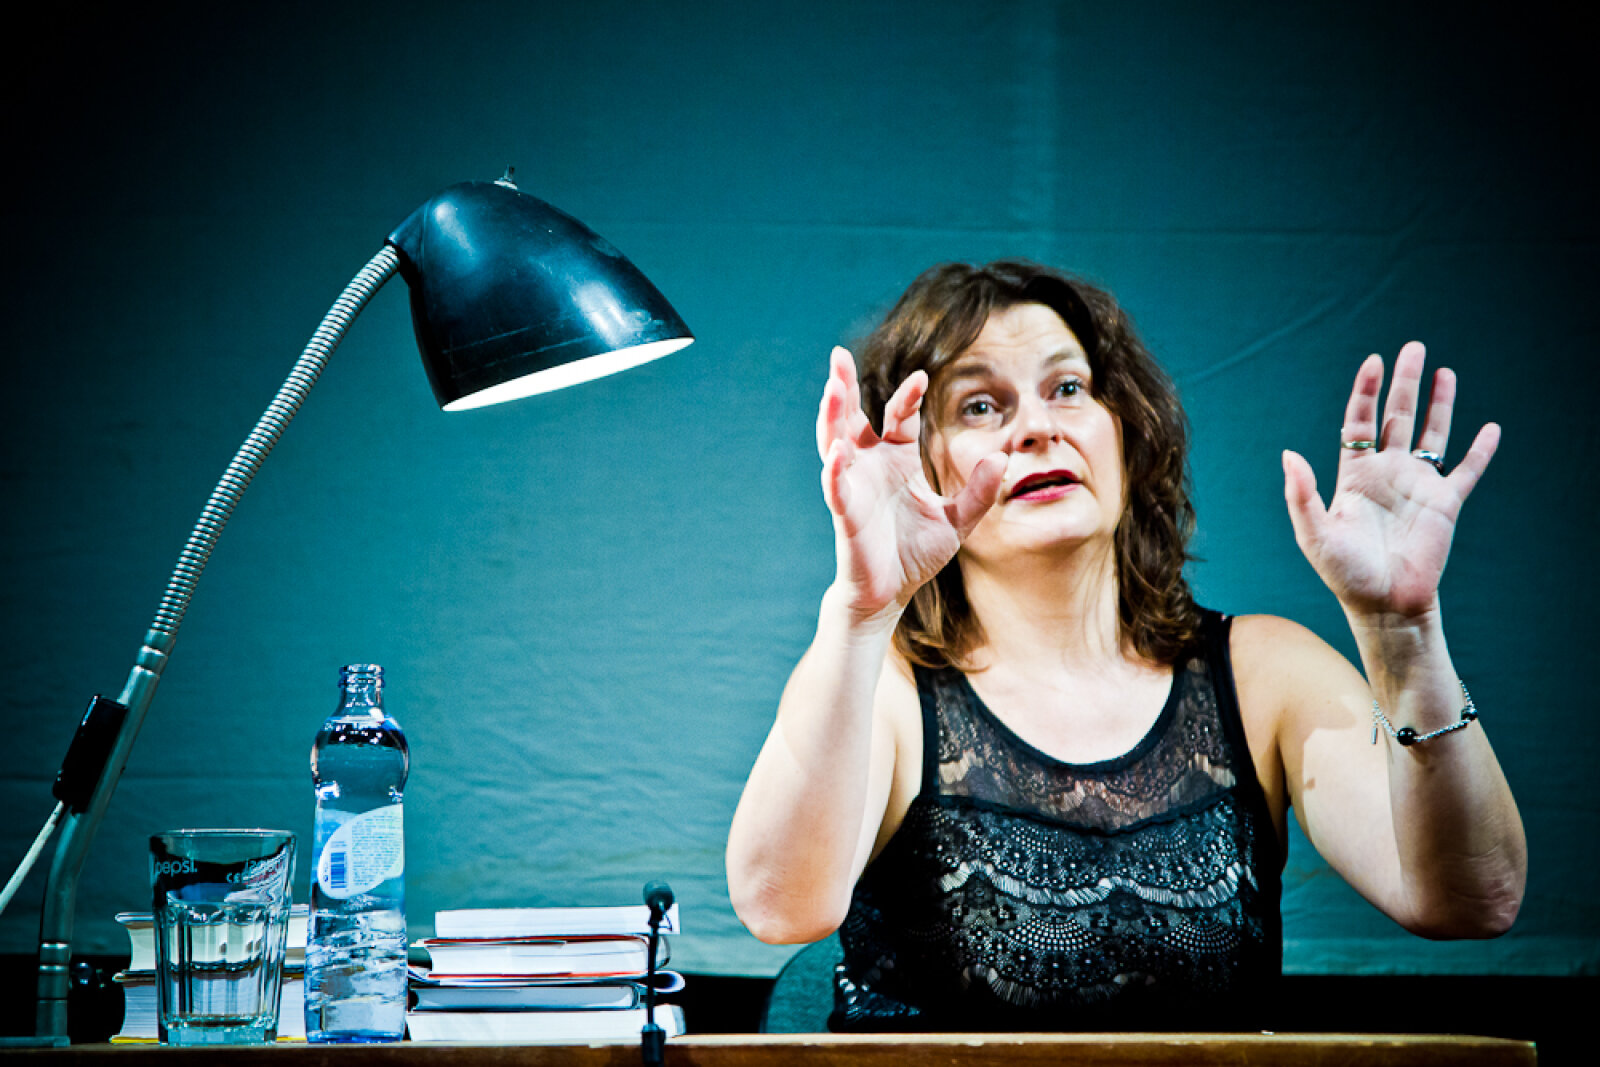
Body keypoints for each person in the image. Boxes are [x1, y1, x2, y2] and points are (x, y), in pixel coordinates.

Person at [724, 260, 1526, 1031]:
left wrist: (1404, 633)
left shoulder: (1266, 673)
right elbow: (779, 904)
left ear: (1127, 432)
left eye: (1068, 388)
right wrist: (862, 614)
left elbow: (1473, 898)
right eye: (980, 406)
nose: (1037, 427)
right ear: (919, 467)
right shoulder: (886, 687)